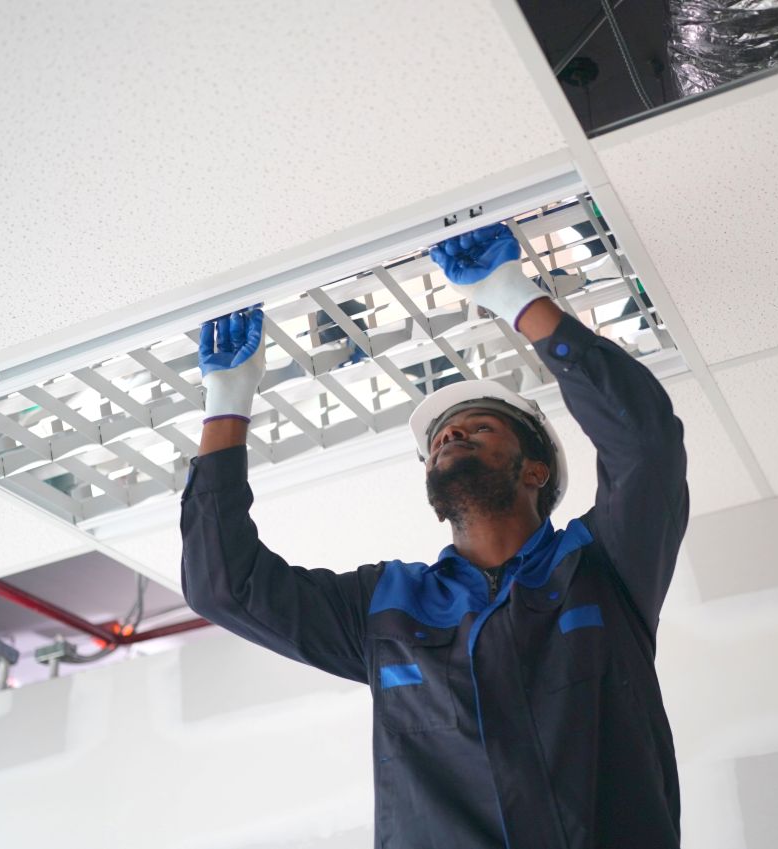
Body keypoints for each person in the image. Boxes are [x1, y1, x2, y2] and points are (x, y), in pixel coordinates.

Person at [181, 223, 689, 848]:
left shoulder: (602, 567)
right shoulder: (386, 610)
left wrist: (514, 296)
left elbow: (646, 447)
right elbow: (227, 587)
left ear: (535, 471)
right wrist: (226, 403)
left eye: (480, 427)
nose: (450, 435)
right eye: (441, 440)